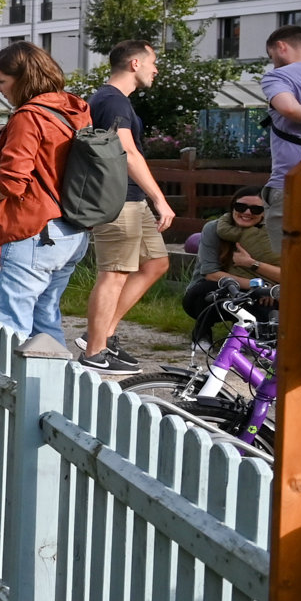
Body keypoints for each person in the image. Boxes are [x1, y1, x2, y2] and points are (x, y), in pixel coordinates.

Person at [0, 41, 90, 347]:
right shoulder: (74, 110)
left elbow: (12, 183)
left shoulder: (28, 118)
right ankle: (53, 392)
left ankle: (8, 394)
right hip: (68, 232)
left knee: (7, 332)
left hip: (27, 232)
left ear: (25, 79)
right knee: (46, 328)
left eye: (2, 81)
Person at [79, 40, 179, 373]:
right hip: (118, 200)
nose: (156, 69)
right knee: (115, 273)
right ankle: (94, 351)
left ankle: (103, 334)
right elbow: (127, 152)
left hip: (131, 199)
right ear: (135, 64)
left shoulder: (115, 101)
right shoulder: (112, 101)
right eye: (153, 62)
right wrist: (160, 198)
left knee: (156, 264)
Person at [183, 192, 281, 321]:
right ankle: (203, 334)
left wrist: (252, 264)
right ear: (232, 207)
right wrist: (259, 286)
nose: (247, 212)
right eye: (240, 206)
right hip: (223, 286)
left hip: (270, 291)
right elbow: (211, 274)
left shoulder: (274, 233)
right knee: (204, 292)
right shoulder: (214, 228)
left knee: (266, 311)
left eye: (256, 209)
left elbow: (290, 277)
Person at [264, 24, 301, 241]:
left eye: (272, 55)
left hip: (290, 186)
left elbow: (288, 108)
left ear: (281, 46)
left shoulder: (278, 76)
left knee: (288, 267)